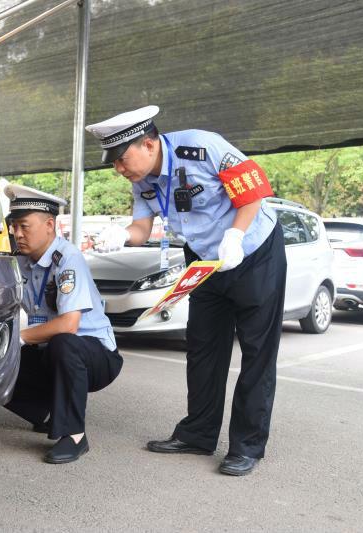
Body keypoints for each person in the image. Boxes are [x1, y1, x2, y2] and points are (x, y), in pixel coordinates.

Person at [86, 106, 286, 476]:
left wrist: (236, 235)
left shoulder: (201, 146)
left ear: (148, 144)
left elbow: (253, 188)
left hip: (254, 251)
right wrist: (121, 235)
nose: (119, 169)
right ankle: (197, 434)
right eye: (113, 163)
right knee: (203, 347)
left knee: (257, 351)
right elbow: (142, 230)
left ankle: (247, 446)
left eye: (122, 159)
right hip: (204, 262)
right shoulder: (142, 179)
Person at [3, 184, 123, 464]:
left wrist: (18, 339)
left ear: (49, 224)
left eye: (24, 226)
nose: (17, 234)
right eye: (14, 227)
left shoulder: (68, 260)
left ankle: (75, 436)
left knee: (62, 343)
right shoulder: (20, 261)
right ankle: (47, 413)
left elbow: (69, 325)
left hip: (95, 356)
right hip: (53, 352)